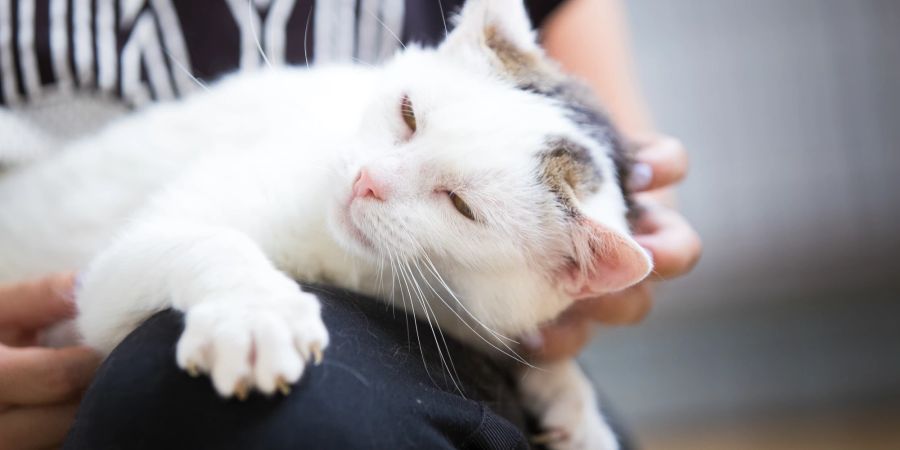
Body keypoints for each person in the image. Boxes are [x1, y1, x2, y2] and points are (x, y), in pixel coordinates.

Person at [0, 0, 701, 448]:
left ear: (569, 272)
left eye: (459, 204)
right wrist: (232, 286)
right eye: (404, 118)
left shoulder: (525, 250)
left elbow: (511, 300)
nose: (373, 179)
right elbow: (110, 285)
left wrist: (553, 365)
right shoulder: (313, 152)